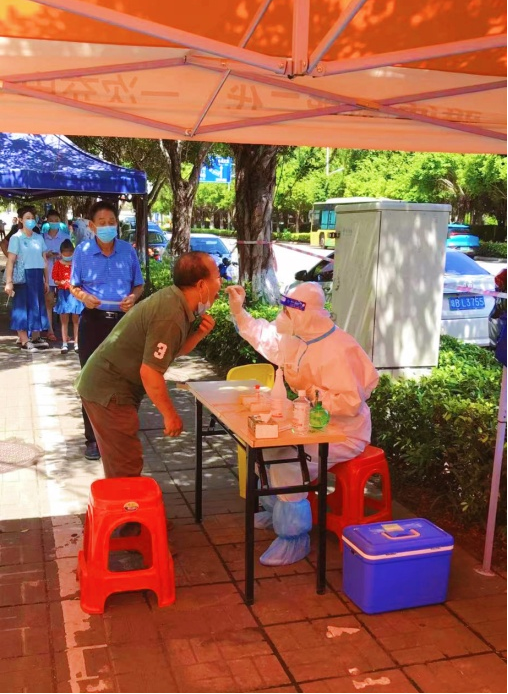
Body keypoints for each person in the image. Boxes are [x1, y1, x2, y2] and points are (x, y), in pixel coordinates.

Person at [226, 282, 379, 567]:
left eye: (287, 311)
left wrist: (313, 394)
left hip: (342, 433)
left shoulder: (338, 349)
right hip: (307, 423)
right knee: (264, 451)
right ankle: (276, 510)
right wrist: (239, 312)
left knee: (287, 463)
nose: (282, 316)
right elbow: (267, 338)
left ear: (304, 314)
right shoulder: (297, 338)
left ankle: (293, 538)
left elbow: (350, 403)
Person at [75, 251, 220, 479]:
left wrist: (200, 333)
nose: (221, 283)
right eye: (218, 276)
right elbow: (150, 372)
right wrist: (170, 415)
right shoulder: (171, 313)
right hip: (109, 391)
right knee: (126, 468)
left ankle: (121, 499)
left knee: (122, 464)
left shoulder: (175, 302)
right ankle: (124, 502)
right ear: (202, 285)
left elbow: (173, 350)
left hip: (107, 387)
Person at [70, 201, 144, 462]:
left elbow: (138, 285)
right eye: (101, 223)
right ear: (92, 226)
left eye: (111, 222)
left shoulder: (127, 251)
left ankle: (122, 433)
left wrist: (133, 298)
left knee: (126, 380)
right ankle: (93, 439)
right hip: (93, 322)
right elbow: (73, 286)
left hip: (124, 323)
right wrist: (84, 297)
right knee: (91, 381)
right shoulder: (82, 251)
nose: (107, 227)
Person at [3, 206, 50, 351]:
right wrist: (9, 282)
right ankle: (24, 340)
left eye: (32, 218)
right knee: (21, 306)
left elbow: (44, 260)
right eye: (27, 218)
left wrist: (46, 280)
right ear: (21, 220)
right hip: (23, 276)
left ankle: (36, 337)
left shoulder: (39, 238)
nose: (30, 220)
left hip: (37, 275)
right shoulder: (16, 238)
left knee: (37, 305)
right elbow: (11, 261)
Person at [42, 209, 70, 342]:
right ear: (47, 221)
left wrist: (62, 256)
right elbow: (38, 254)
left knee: (63, 302)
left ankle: (65, 333)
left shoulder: (65, 236)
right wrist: (46, 255)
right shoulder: (42, 237)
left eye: (56, 220)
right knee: (48, 301)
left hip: (62, 274)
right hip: (47, 274)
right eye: (51, 220)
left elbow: (71, 254)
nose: (54, 223)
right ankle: (50, 331)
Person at [52, 239, 84, 354]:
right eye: (65, 252)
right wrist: (62, 282)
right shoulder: (57, 264)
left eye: (70, 251)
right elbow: (55, 279)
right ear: (61, 252)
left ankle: (76, 343)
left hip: (75, 293)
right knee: (64, 320)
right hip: (63, 293)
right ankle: (64, 343)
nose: (68, 254)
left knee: (76, 319)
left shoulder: (76, 264)